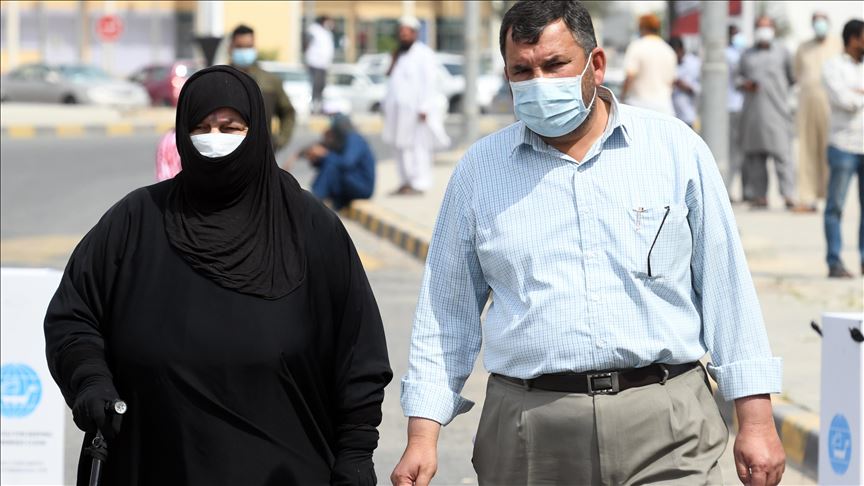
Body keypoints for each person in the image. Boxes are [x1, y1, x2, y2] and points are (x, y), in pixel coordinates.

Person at [391, 1, 785, 485]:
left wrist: (756, 420)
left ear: (595, 65)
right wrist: (422, 435)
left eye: (555, 64)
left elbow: (727, 289)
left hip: (668, 423)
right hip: (531, 430)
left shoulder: (674, 149)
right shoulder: (480, 172)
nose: (539, 82)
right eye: (522, 71)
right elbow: (445, 312)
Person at [44, 65, 392, 485]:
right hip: (152, 463)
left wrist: (356, 451)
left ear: (256, 132)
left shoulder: (310, 228)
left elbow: (358, 351)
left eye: (230, 128)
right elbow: (73, 315)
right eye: (201, 127)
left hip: (283, 470)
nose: (214, 139)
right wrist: (90, 380)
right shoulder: (137, 219)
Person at [739, 16, 808, 211]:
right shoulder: (747, 54)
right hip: (754, 113)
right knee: (756, 157)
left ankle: (788, 195)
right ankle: (760, 196)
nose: (764, 31)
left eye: (767, 27)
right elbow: (737, 78)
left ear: (774, 29)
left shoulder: (783, 52)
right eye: (760, 27)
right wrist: (745, 84)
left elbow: (792, 78)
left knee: (783, 155)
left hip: (778, 111)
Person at [382, 16, 450, 196]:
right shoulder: (398, 54)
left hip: (416, 111)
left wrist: (424, 107)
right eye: (401, 33)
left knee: (418, 147)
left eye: (407, 33)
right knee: (399, 147)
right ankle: (405, 182)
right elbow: (390, 78)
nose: (403, 36)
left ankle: (420, 183)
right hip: (397, 111)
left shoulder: (424, 54)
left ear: (415, 34)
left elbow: (430, 82)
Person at [822, 19, 864, 278]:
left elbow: (852, 98)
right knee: (835, 207)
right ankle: (834, 261)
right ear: (853, 38)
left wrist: (857, 92)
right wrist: (856, 96)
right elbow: (843, 100)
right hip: (842, 146)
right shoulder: (833, 66)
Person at [795, 12, 843, 211]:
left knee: (828, 148)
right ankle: (808, 196)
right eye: (816, 21)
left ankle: (827, 194)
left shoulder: (837, 44)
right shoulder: (803, 47)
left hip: (831, 104)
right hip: (807, 102)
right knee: (807, 149)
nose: (819, 25)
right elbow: (798, 73)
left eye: (822, 21)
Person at [229, 24, 296, 152]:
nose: (244, 52)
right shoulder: (220, 79)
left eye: (248, 47)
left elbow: (288, 112)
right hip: (228, 152)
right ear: (230, 48)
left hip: (262, 152)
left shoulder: (270, 81)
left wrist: (279, 141)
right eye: (239, 47)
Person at [303, 113, 377, 210]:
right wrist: (315, 158)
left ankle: (314, 200)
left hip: (363, 186)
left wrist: (325, 154)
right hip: (351, 181)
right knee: (330, 164)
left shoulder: (354, 138)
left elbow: (347, 162)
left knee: (331, 166)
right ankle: (317, 199)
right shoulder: (343, 140)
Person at [620, 13, 677, 115]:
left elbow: (630, 76)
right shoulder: (669, 51)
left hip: (639, 106)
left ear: (642, 28)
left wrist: (622, 98)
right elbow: (672, 82)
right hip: (664, 108)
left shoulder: (636, 46)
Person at [726, 25, 747, 197]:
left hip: (740, 106)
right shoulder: (728, 54)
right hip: (731, 107)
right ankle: (727, 188)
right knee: (732, 152)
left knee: (740, 152)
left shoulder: (740, 52)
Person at [304, 16, 336, 114]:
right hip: (315, 63)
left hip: (323, 64)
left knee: (321, 86)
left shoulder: (327, 33)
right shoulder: (314, 30)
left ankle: (319, 105)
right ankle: (314, 106)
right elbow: (306, 42)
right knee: (316, 85)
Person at [670, 36, 701, 128]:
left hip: (688, 116)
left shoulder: (694, 63)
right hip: (671, 115)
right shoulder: (668, 63)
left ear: (681, 50)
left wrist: (687, 87)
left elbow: (701, 88)